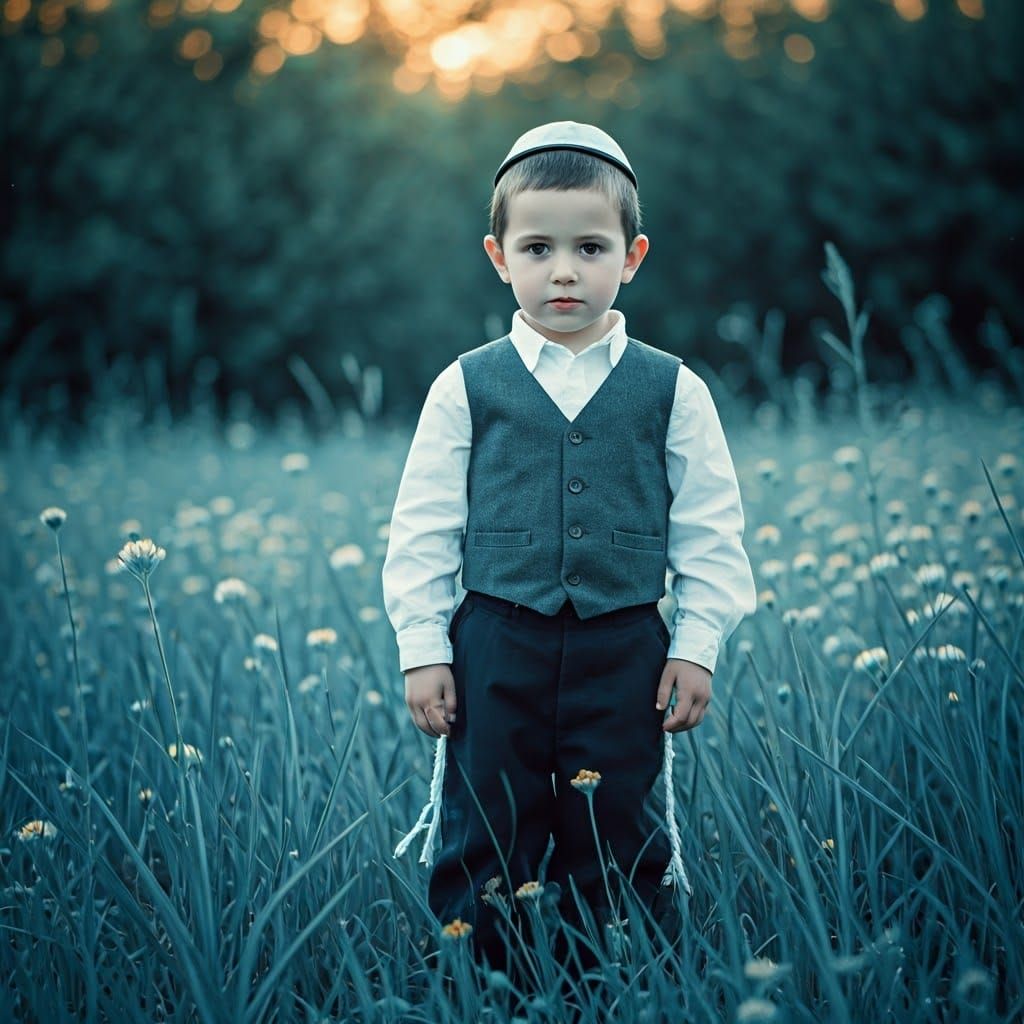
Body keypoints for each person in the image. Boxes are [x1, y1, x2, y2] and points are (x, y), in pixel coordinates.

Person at [382, 121, 757, 981]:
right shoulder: (467, 383)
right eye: (537, 246)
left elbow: (709, 526)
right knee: (486, 821)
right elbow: (425, 526)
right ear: (497, 255)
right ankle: (479, 984)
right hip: (495, 641)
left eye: (590, 246)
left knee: (620, 822)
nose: (562, 270)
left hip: (624, 644)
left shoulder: (674, 387)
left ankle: (623, 980)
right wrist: (422, 648)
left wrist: (697, 645)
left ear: (632, 256)